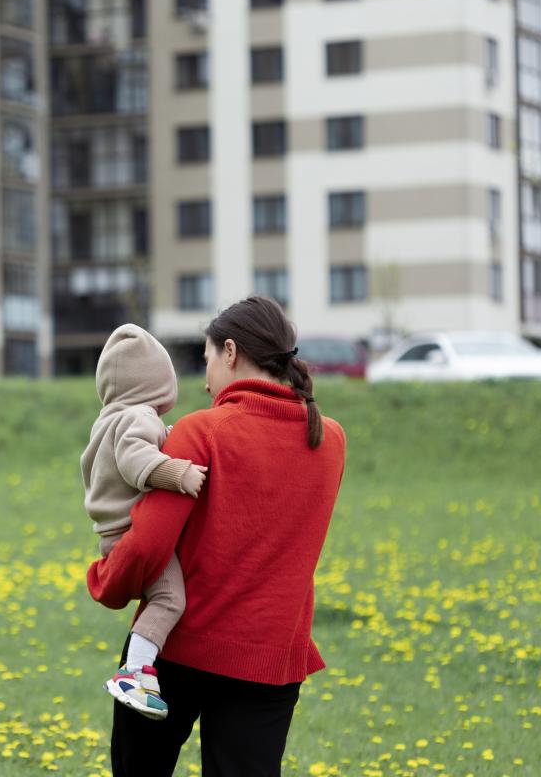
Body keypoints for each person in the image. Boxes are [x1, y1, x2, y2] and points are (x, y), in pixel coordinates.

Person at [87, 296, 347, 777]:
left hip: (179, 649)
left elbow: (147, 544)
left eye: (206, 360)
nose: (206, 382)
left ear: (230, 352)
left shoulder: (201, 430)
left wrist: (106, 580)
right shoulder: (329, 439)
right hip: (272, 657)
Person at [80, 324, 209, 720]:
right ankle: (134, 673)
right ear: (156, 383)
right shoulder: (138, 416)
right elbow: (135, 458)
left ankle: (139, 671)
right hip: (131, 533)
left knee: (162, 597)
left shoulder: (111, 418)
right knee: (170, 599)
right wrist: (177, 473)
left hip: (112, 533)